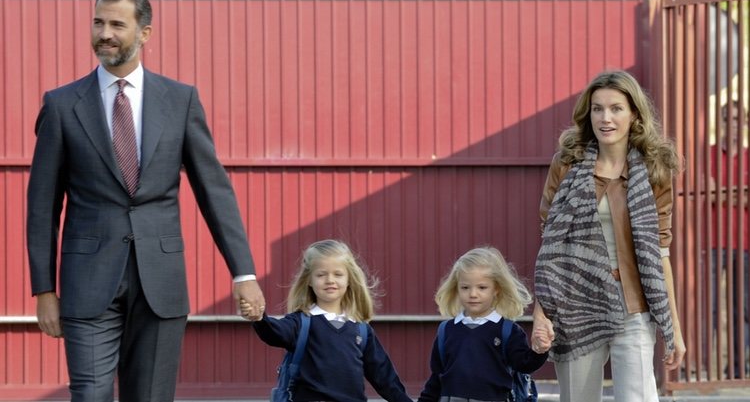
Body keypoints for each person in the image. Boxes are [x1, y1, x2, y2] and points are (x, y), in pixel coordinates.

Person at [26, 0, 265, 402]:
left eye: (117, 24)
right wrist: (44, 291)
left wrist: (243, 273)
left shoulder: (181, 100)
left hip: (161, 282)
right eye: (99, 22)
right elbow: (42, 206)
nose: (105, 33)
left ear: (145, 33)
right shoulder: (62, 105)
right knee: (90, 395)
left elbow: (215, 191)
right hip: (87, 283)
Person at [532, 69, 686, 402]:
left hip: (633, 304)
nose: (606, 118)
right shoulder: (567, 164)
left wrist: (674, 326)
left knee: (637, 397)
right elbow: (551, 249)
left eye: (616, 108)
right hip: (575, 304)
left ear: (634, 114)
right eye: (598, 108)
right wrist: (540, 315)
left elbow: (660, 251)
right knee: (578, 397)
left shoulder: (654, 169)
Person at [242, 239, 412, 402]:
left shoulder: (362, 330)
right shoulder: (301, 322)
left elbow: (384, 377)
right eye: (321, 274)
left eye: (338, 274)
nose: (330, 280)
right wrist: (259, 318)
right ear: (309, 280)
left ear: (349, 280)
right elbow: (274, 333)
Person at [418, 246, 550, 402]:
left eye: (482, 287)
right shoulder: (446, 330)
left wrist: (539, 350)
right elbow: (436, 379)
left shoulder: (508, 331)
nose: (473, 294)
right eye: (465, 287)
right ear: (456, 288)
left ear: (496, 289)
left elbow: (524, 364)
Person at [709, 99, 750, 378]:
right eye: (728, 119)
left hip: (745, 243)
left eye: (738, 119)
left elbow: (716, 194)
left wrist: (720, 193)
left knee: (743, 309)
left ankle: (736, 368)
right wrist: (737, 194)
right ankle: (696, 368)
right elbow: (706, 193)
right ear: (720, 122)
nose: (733, 124)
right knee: (707, 307)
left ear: (744, 123)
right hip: (710, 241)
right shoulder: (707, 155)